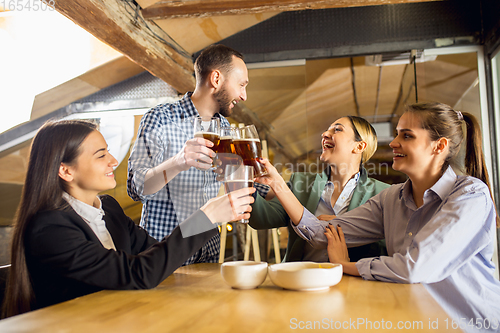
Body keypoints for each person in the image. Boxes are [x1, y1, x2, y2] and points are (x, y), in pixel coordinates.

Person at [263, 103, 500, 332]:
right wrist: (277, 184)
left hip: (470, 325)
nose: (394, 143)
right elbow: (320, 233)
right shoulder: (390, 198)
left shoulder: (470, 195)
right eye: (397, 134)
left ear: (439, 146)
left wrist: (347, 266)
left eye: (406, 136)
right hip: (416, 321)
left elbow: (415, 267)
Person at [1, 120, 255, 318]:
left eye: (109, 152)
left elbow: (157, 256)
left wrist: (213, 213)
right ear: (65, 170)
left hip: (121, 318)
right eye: (101, 155)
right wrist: (206, 217)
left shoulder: (109, 209)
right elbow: (138, 274)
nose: (113, 161)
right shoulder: (49, 229)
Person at [127, 44, 268, 265]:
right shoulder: (160, 118)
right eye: (241, 85)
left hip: (209, 253)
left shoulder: (226, 130)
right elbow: (136, 189)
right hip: (163, 256)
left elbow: (240, 182)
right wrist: (178, 162)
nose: (244, 95)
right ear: (216, 79)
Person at [249, 116, 389, 262]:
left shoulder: (383, 193)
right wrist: (244, 178)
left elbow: (386, 245)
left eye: (337, 129)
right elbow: (262, 219)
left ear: (359, 147)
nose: (324, 134)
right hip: (302, 280)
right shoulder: (300, 182)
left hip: (353, 282)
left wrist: (345, 225)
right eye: (327, 130)